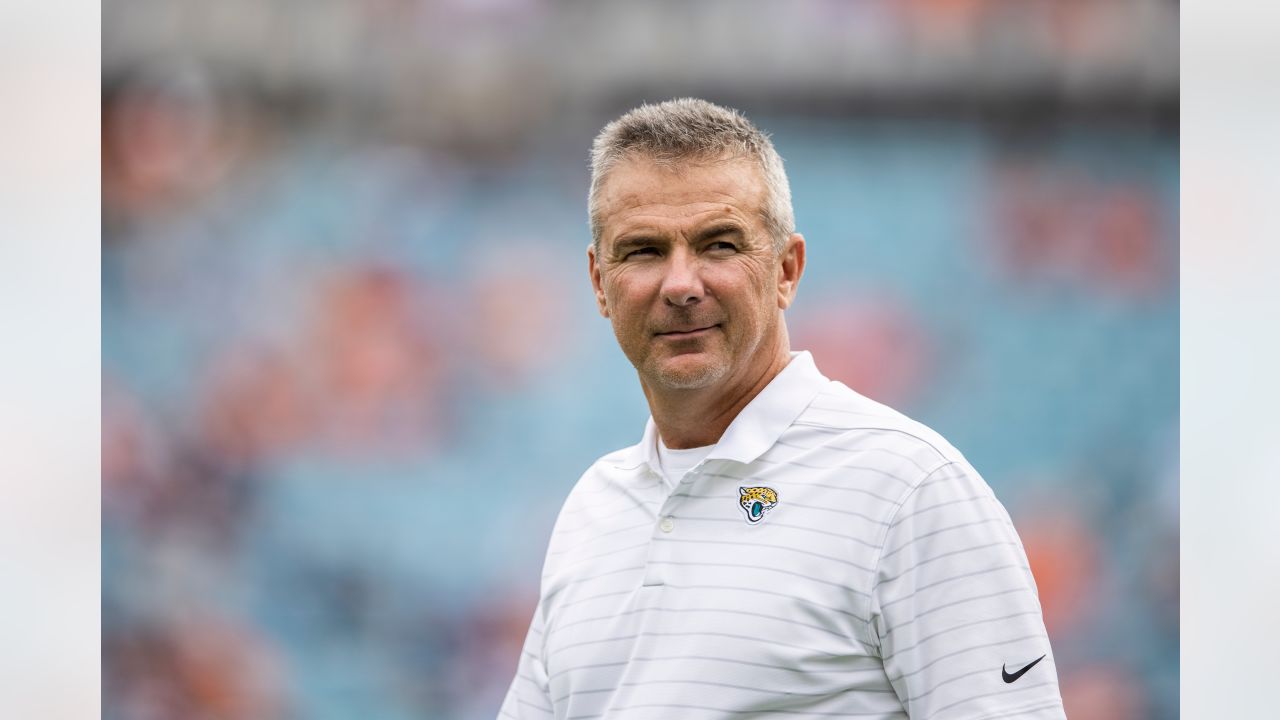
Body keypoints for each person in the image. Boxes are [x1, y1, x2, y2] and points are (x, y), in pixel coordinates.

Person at [499, 99, 1065, 719]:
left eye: (718, 245)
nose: (682, 283)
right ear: (599, 283)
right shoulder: (593, 508)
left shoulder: (909, 490)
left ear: (787, 270)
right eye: (643, 251)